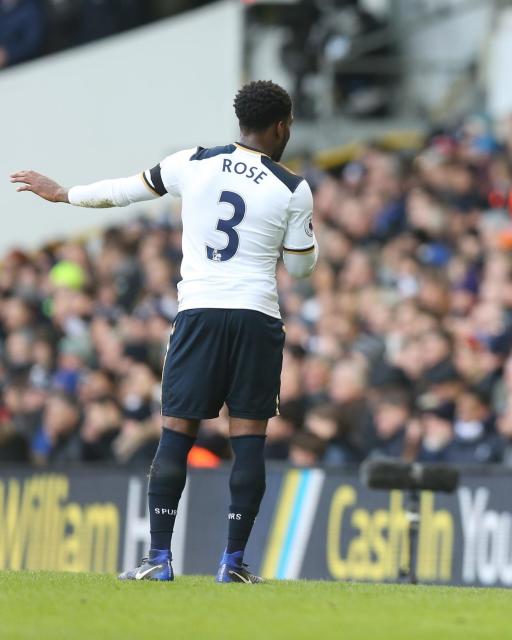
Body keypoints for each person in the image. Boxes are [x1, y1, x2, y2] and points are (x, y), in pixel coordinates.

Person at [10, 80, 318, 584]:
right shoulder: (291, 187)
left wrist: (65, 195)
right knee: (249, 441)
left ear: (241, 122)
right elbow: (302, 271)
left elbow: (123, 191)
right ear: (282, 126)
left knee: (175, 436)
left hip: (198, 315)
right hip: (255, 318)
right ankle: (233, 564)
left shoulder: (192, 162)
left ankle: (158, 558)